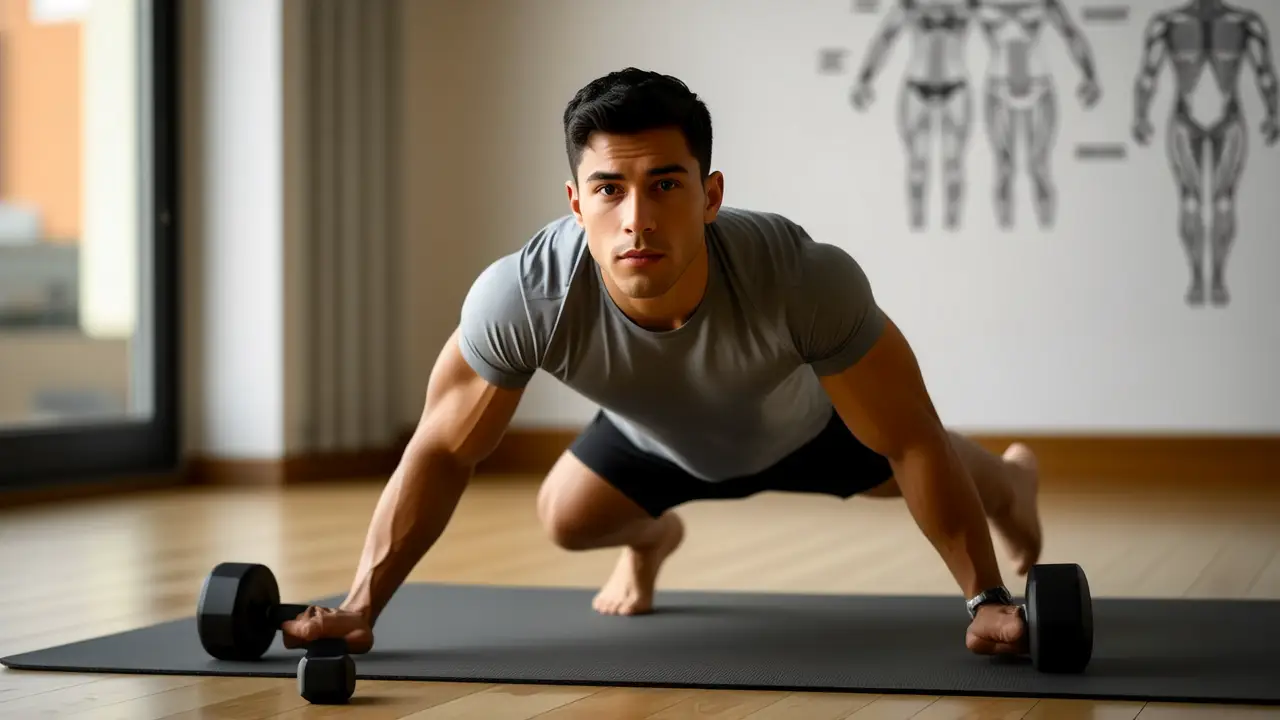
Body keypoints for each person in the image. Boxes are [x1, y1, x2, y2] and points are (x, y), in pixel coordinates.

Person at [281, 67, 1042, 660]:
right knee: (563, 518)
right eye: (609, 190)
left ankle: (1014, 482)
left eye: (665, 185)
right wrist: (360, 605)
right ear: (576, 203)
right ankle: (652, 541)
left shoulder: (802, 277)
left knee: (929, 462)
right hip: (654, 441)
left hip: (808, 428)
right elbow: (443, 451)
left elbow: (911, 438)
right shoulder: (524, 297)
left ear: (710, 196)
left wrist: (986, 602)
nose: (637, 219)